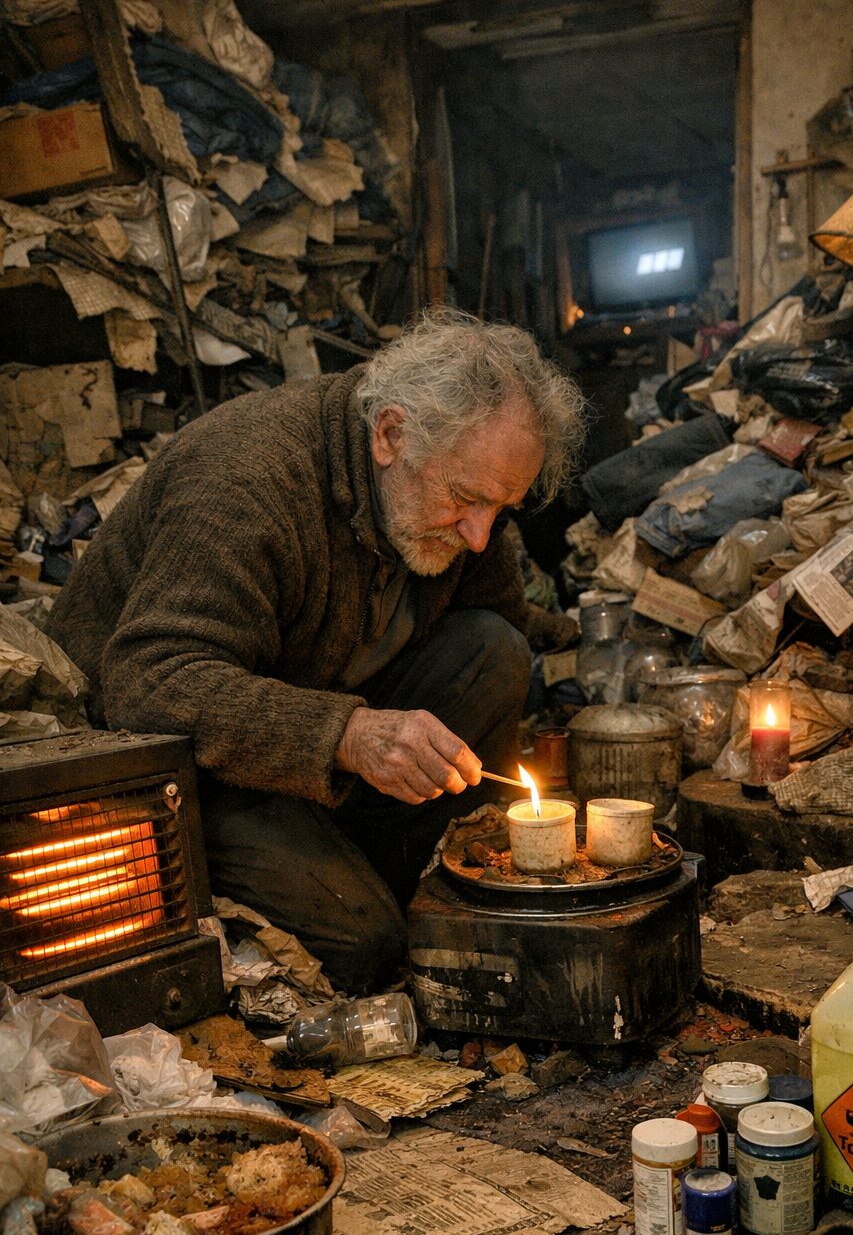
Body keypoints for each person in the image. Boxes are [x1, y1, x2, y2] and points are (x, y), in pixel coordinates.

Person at [48, 310, 587, 991]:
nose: (480, 536)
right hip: (183, 763)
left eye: (500, 509)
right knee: (365, 944)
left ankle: (388, 873)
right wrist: (348, 735)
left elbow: (498, 617)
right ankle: (352, 889)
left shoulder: (453, 491)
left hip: (311, 727)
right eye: (465, 499)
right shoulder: (249, 478)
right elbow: (151, 681)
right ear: (390, 434)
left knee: (494, 650)